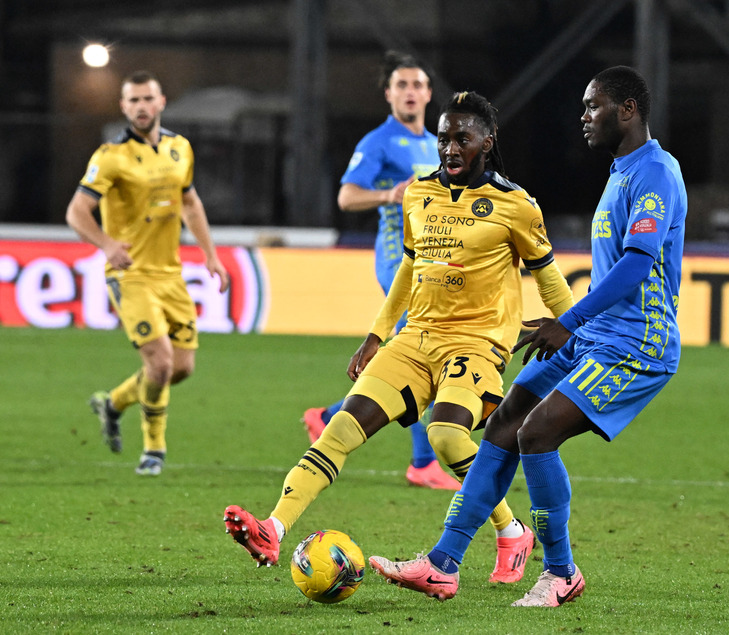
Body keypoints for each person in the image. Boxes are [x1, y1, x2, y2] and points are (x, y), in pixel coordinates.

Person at [224, 90, 576, 586]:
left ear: (487, 142)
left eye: (463, 138)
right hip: (415, 339)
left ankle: (511, 529)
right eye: (443, 138)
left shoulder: (515, 205)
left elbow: (548, 275)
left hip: (476, 344)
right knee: (340, 429)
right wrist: (376, 335)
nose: (451, 148)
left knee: (447, 435)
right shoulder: (418, 193)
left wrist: (577, 330)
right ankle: (274, 528)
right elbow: (410, 269)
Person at [369, 65, 687, 607]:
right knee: (504, 422)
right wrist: (568, 325)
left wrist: (569, 320)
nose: (584, 117)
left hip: (638, 344)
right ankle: (443, 563)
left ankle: (560, 572)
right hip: (596, 336)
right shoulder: (620, 170)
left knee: (536, 435)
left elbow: (636, 265)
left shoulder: (656, 171)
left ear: (628, 110)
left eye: (594, 106)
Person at [301, 51, 460, 490]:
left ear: (429, 93)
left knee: (411, 354)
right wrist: (391, 195)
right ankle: (423, 461)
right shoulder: (378, 142)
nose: (410, 92)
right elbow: (347, 197)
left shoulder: (436, 144)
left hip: (435, 261)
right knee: (422, 351)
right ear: (389, 93)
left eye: (417, 85)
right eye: (401, 85)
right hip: (398, 259)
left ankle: (330, 415)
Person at [66, 70, 230, 476]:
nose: (141, 106)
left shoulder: (180, 149)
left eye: (147, 99)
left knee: (182, 368)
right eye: (133, 100)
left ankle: (115, 402)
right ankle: (153, 449)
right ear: (124, 107)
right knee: (159, 364)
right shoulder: (110, 157)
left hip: (171, 274)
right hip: (131, 275)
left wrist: (211, 255)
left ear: (161, 102)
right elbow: (76, 211)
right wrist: (107, 244)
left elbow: (190, 204)